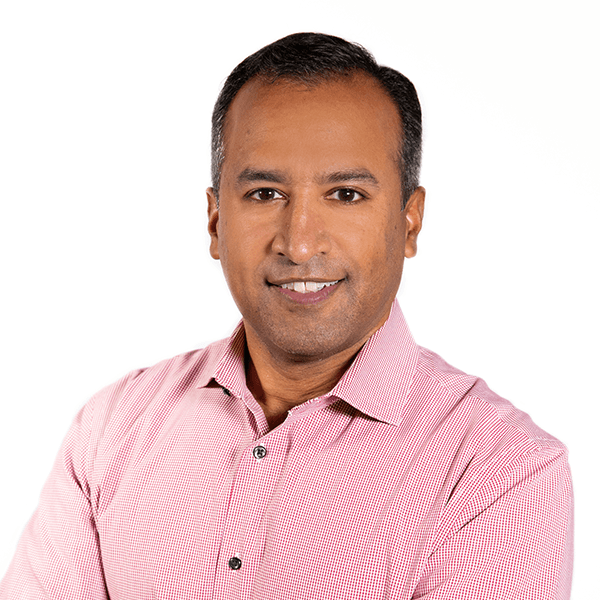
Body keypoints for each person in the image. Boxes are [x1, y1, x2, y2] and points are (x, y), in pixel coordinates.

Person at [1, 32, 573, 600]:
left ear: (409, 223)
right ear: (214, 221)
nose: (299, 245)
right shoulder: (111, 431)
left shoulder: (505, 475)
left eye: (346, 194)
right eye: (265, 194)